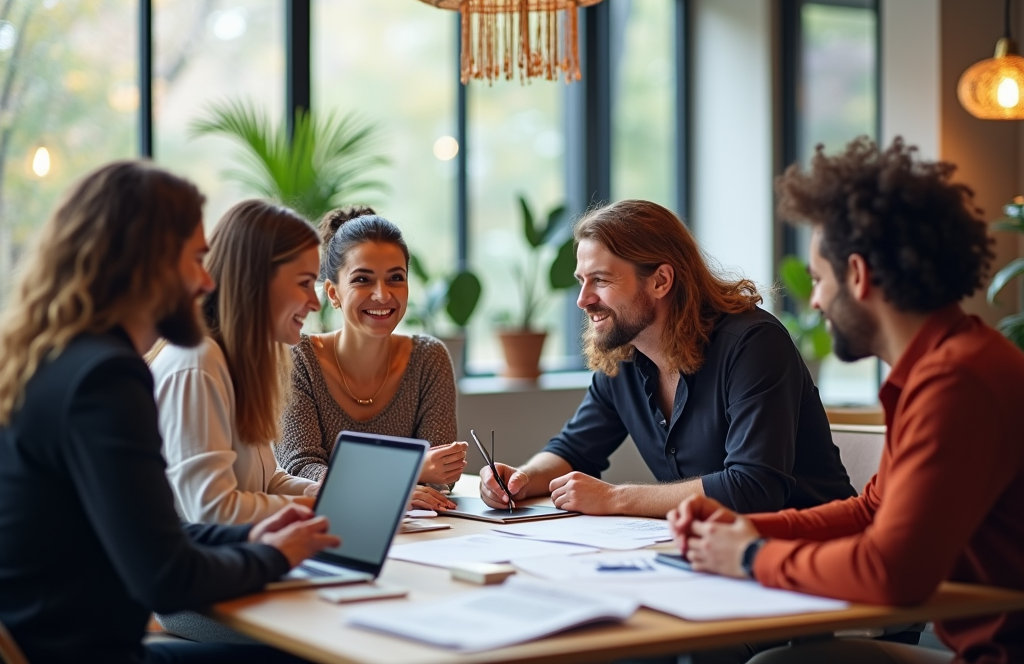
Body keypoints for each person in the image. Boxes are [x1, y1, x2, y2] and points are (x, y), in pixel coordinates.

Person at [668, 138, 1024, 664]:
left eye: (818, 279)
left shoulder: (957, 381)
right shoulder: (943, 365)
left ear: (857, 275)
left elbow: (890, 572)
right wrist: (746, 528)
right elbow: (871, 510)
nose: (813, 299)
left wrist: (749, 555)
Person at [0, 161, 338, 664]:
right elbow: (165, 574)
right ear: (147, 263)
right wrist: (271, 555)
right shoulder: (106, 379)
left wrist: (250, 534)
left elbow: (155, 529)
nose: (207, 282)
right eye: (197, 259)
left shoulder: (57, 359)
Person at [480, 199, 855, 518]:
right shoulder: (625, 354)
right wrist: (522, 479)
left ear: (660, 281)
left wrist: (614, 498)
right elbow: (574, 451)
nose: (583, 299)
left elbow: (753, 487)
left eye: (601, 280)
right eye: (582, 280)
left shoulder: (753, 344)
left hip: (813, 552)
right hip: (716, 553)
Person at [275, 206, 467, 512]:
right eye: (362, 279)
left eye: (395, 278)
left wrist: (411, 479)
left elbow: (439, 476)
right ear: (333, 293)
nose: (382, 295)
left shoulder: (429, 359)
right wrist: (404, 476)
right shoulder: (298, 360)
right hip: (325, 529)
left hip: (420, 529)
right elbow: (300, 468)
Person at [152, 200, 321, 525]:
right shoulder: (197, 363)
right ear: (255, 280)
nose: (314, 302)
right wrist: (323, 510)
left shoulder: (236, 362)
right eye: (303, 283)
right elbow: (213, 509)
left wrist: (326, 495)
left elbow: (267, 482)